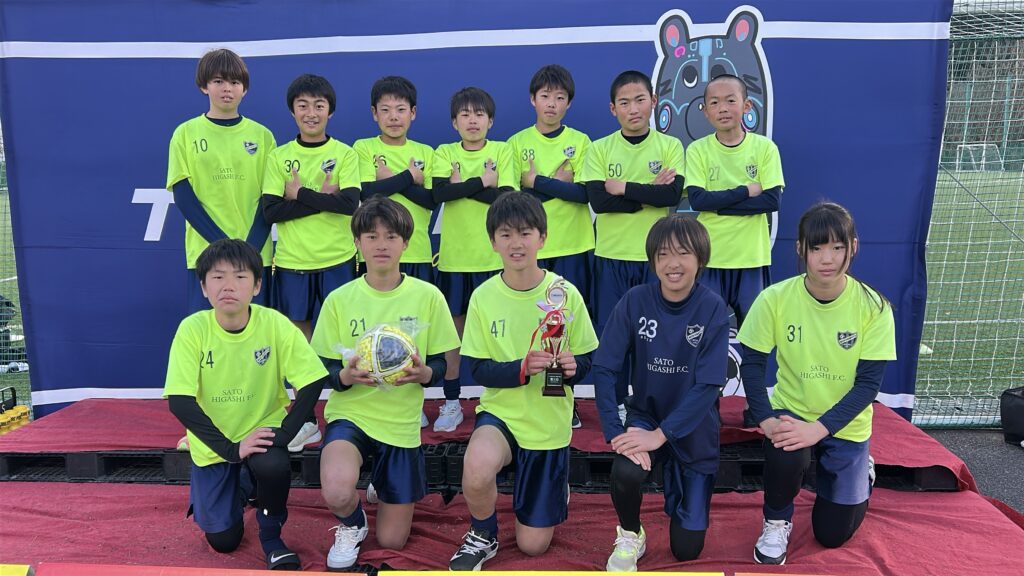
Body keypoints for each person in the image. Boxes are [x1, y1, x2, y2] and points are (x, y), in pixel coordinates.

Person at [738, 202, 896, 565]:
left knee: (831, 535)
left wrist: (819, 428)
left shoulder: (874, 307)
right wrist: (765, 418)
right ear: (800, 249)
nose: (827, 259)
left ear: (853, 247)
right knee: (784, 448)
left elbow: (867, 386)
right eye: (817, 247)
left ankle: (862, 471)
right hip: (793, 412)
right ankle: (776, 520)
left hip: (846, 425)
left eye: (837, 247)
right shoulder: (774, 299)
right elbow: (753, 365)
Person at [448, 192, 598, 571]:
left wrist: (573, 367)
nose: (516, 243)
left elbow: (588, 360)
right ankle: (483, 534)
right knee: (477, 466)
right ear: (493, 242)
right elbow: (478, 369)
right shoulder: (483, 297)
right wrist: (521, 368)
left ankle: (554, 487)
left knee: (533, 546)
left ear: (542, 238)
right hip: (501, 414)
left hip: (548, 424)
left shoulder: (565, 294)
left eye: (525, 233)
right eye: (506, 234)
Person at [310, 197, 460, 571]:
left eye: (391, 236)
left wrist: (426, 375)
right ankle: (352, 524)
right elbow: (322, 368)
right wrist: (343, 377)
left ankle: (381, 479)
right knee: (337, 491)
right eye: (371, 236)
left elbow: (442, 364)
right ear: (357, 243)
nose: (381, 245)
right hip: (352, 416)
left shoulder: (428, 296)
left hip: (401, 425)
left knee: (393, 540)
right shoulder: (339, 300)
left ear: (405, 243)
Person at [165, 239, 328, 571]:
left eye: (240, 277)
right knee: (224, 541)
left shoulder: (274, 324)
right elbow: (180, 402)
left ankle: (271, 536)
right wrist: (231, 449)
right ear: (204, 287)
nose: (228, 286)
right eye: (218, 277)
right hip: (216, 445)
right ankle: (241, 486)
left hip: (260, 430)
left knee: (273, 464)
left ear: (256, 286)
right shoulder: (192, 330)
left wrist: (285, 434)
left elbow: (313, 380)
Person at [594, 215, 729, 570]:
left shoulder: (712, 308)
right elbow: (605, 367)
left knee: (686, 549)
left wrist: (661, 435)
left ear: (700, 258)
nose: (673, 263)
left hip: (694, 427)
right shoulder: (635, 301)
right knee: (626, 470)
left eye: (683, 253)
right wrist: (615, 432)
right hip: (646, 415)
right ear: (652, 260)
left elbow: (708, 386)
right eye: (663, 254)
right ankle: (630, 533)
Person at [260, 73, 360, 454]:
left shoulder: (346, 154)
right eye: (303, 106)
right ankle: (306, 420)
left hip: (338, 260)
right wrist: (323, 198)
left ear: (330, 111)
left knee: (343, 341)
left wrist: (300, 193)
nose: (311, 113)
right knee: (300, 346)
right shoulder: (279, 156)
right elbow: (272, 211)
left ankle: (348, 413)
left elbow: (349, 204)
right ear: (292, 111)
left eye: (319, 105)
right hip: (293, 264)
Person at [583, 70, 685, 420]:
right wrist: (648, 191)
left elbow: (671, 195)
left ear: (653, 101)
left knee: (654, 337)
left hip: (655, 259)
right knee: (614, 337)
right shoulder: (600, 149)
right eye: (624, 103)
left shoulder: (670, 146)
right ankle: (615, 406)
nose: (633, 109)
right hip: (610, 257)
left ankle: (648, 404)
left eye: (640, 100)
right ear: (613, 109)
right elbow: (599, 202)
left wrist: (623, 187)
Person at [508, 64, 593, 429]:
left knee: (565, 325)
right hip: (532, 250)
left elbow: (585, 194)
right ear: (533, 99)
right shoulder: (517, 143)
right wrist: (557, 183)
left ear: (568, 103)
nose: (552, 104)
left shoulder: (582, 142)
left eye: (560, 98)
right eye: (545, 96)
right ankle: (529, 394)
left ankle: (563, 395)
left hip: (573, 245)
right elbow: (514, 199)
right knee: (532, 324)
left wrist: (537, 182)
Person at [353, 76, 438, 429]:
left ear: (413, 113)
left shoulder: (428, 152)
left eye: (400, 109)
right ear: (374, 114)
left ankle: (412, 400)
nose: (393, 117)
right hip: (376, 258)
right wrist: (408, 177)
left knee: (414, 331)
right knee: (377, 327)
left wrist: (390, 179)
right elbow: (366, 192)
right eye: (385, 110)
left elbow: (431, 199)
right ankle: (376, 393)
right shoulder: (362, 148)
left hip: (417, 254)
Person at [430, 87, 516, 433]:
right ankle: (452, 402)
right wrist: (482, 182)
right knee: (453, 337)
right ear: (454, 122)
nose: (472, 120)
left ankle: (500, 400)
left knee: (499, 333)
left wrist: (462, 186)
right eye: (465, 114)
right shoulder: (444, 152)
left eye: (479, 114)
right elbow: (439, 193)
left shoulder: (503, 150)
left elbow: (505, 198)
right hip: (453, 261)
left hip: (493, 260)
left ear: (490, 120)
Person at [167, 48, 275, 314]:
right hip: (206, 256)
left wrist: (247, 251)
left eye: (235, 82)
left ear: (244, 89)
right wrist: (223, 248)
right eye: (218, 81)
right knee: (207, 332)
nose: (227, 88)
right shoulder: (185, 134)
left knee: (256, 333)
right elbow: (183, 196)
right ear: (204, 86)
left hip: (254, 257)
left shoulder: (262, 136)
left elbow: (270, 198)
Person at [685, 73, 784, 329]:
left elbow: (771, 201)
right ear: (705, 111)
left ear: (746, 105)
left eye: (730, 100)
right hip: (710, 257)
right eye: (714, 103)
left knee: (754, 334)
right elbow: (698, 201)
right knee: (706, 332)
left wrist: (718, 205)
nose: (723, 108)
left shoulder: (765, 148)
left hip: (751, 258)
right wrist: (745, 191)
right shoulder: (697, 150)